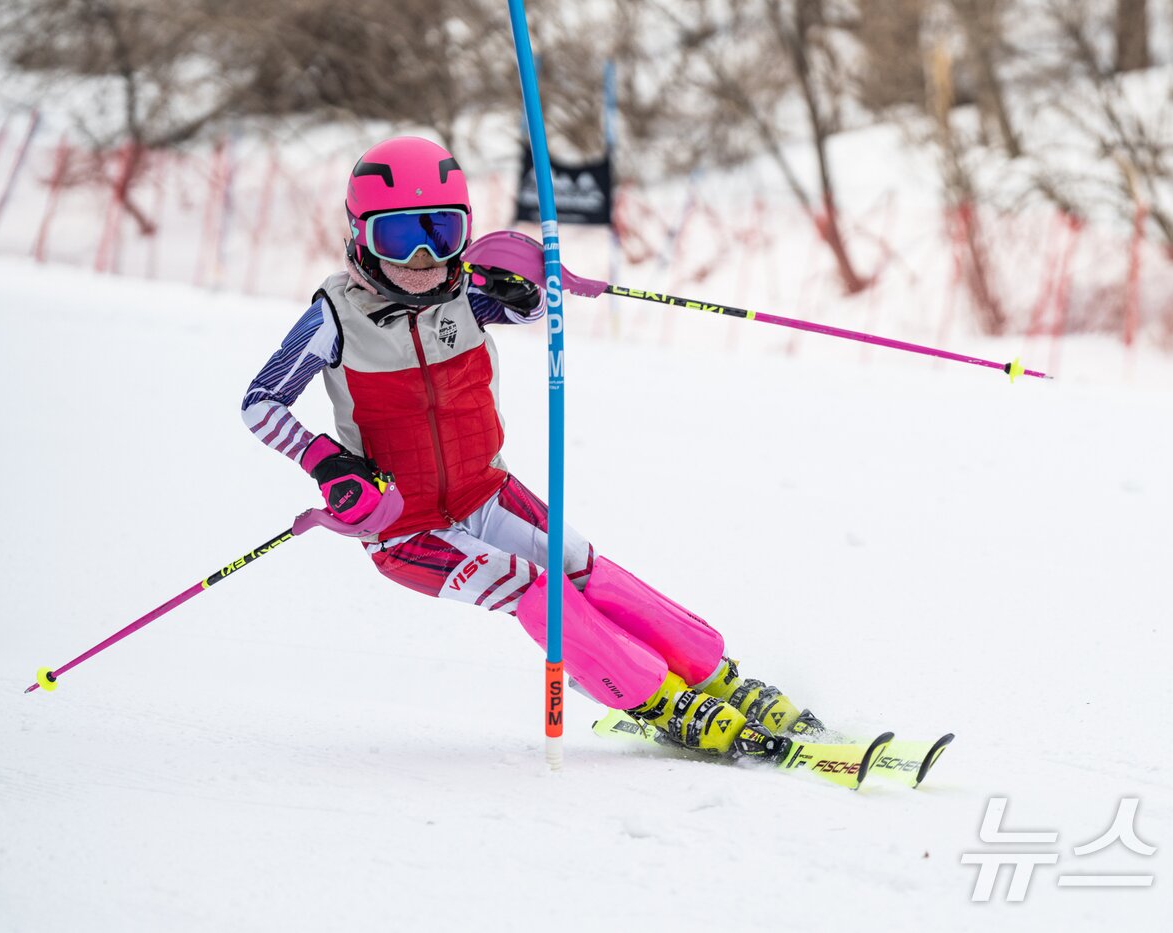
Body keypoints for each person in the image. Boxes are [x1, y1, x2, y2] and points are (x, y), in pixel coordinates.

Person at [242, 136, 821, 758]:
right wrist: (327, 462)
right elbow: (262, 404)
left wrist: (536, 283)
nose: (421, 257)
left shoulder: (464, 291)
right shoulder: (335, 317)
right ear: (360, 235)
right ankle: (657, 699)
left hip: (486, 491)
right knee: (536, 589)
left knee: (578, 564)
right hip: (406, 527)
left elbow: (529, 305)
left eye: (441, 232)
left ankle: (711, 672)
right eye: (398, 236)